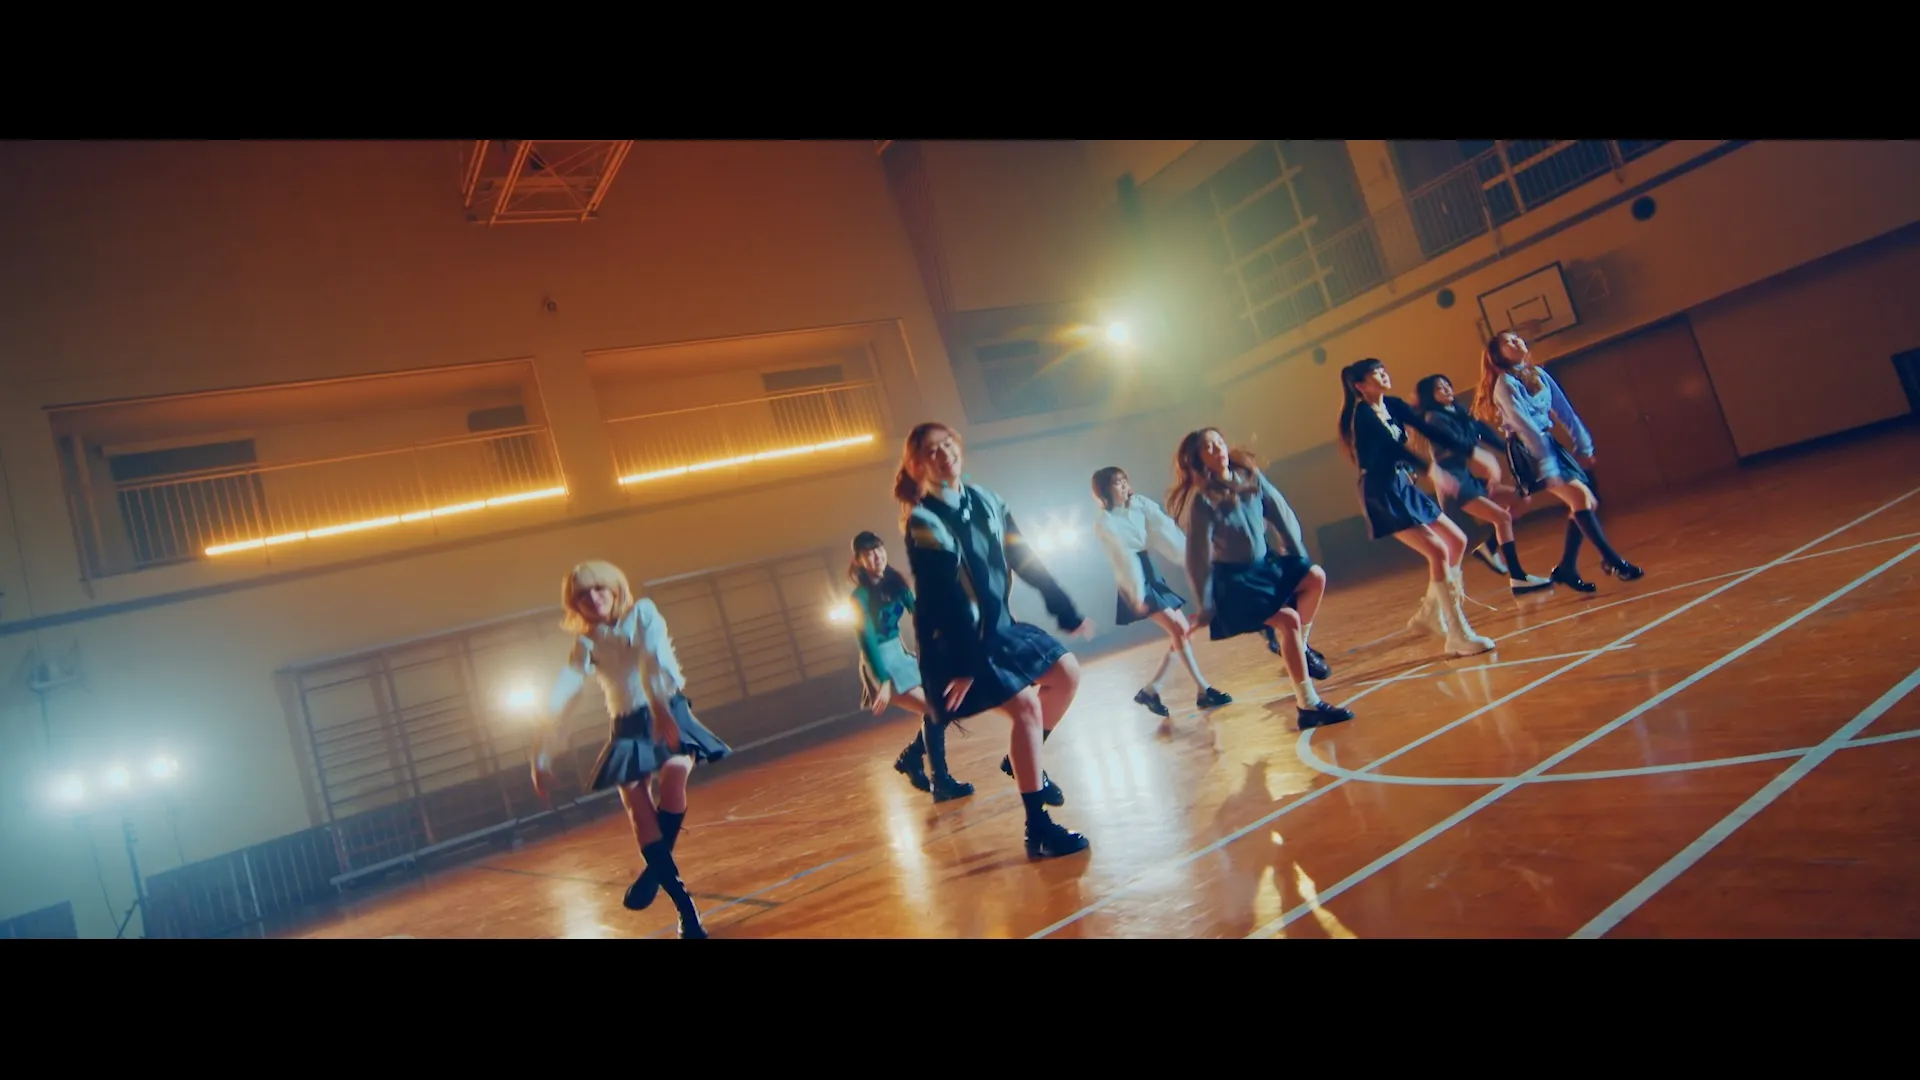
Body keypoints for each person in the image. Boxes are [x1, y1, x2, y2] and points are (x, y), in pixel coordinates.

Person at [893, 421, 1093, 859]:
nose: (944, 453)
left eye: (948, 444)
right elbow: (942, 596)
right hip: (958, 640)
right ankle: (1038, 828)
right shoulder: (925, 521)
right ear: (917, 466)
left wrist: (1062, 605)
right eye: (931, 451)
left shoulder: (987, 499)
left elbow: (1021, 554)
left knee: (1066, 674)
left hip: (999, 627)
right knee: (1026, 708)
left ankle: (1020, 760)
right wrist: (964, 663)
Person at [532, 560, 731, 939]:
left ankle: (653, 873)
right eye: (582, 595)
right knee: (638, 812)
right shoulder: (586, 643)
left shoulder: (643, 613)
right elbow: (563, 695)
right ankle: (686, 911)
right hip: (625, 726)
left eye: (599, 589)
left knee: (674, 779)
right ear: (575, 605)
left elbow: (651, 660)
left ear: (615, 589)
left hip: (667, 710)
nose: (593, 598)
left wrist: (660, 710)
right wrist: (540, 754)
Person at [1167, 427, 1352, 729]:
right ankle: (1308, 706)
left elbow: (1280, 513)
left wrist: (1297, 556)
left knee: (1314, 576)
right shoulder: (1203, 501)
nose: (1218, 449)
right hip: (1236, 582)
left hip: (1265, 567)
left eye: (1219, 442)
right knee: (1288, 620)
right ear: (1198, 460)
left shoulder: (1249, 477)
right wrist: (1205, 605)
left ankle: (1300, 649)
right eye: (1208, 448)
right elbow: (1197, 557)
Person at [1336, 358, 1497, 656]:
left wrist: (1472, 451)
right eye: (1376, 373)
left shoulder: (1393, 405)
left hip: (1402, 484)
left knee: (1456, 541)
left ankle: (1429, 613)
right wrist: (1431, 470)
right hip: (1381, 491)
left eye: (1384, 369)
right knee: (1437, 550)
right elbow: (1392, 448)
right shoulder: (1362, 416)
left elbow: (1428, 429)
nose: (1384, 374)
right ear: (1361, 385)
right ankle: (1457, 633)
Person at [1472, 330, 1644, 591]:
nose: (1516, 341)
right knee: (1580, 498)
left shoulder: (1538, 374)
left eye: (1517, 337)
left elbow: (1565, 411)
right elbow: (1525, 427)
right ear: (1498, 355)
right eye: (1508, 341)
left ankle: (1567, 567)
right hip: (1527, 448)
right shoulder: (1504, 385)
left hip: (1547, 442)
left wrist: (1583, 445)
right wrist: (1548, 464)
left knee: (1587, 501)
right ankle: (1614, 562)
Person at [1090, 465, 1233, 720]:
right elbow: (1122, 558)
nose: (1123, 485)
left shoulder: (1140, 504)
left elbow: (1165, 530)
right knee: (1178, 630)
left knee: (1182, 631)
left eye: (1124, 480)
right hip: (1133, 578)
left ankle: (1152, 690)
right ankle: (1203, 690)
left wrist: (1191, 556)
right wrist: (1135, 593)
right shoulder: (1104, 521)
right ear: (1104, 491)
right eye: (1116, 483)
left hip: (1149, 571)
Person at [846, 530, 974, 803]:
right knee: (934, 710)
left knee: (941, 707)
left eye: (878, 549)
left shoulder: (896, 583)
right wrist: (882, 681)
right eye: (868, 553)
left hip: (900, 654)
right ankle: (940, 780)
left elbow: (920, 613)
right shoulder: (858, 597)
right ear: (858, 561)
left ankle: (913, 758)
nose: (876, 556)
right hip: (879, 662)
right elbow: (867, 640)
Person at [1412, 373, 1552, 595]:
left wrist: (1512, 450)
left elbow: (1484, 434)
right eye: (1439, 388)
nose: (1447, 389)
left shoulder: (1458, 411)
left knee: (1522, 499)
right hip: (1455, 484)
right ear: (1430, 396)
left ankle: (1489, 547)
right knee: (1502, 518)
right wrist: (1486, 459)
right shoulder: (1434, 418)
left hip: (1467, 478)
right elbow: (1459, 445)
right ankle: (1518, 578)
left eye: (1447, 384)